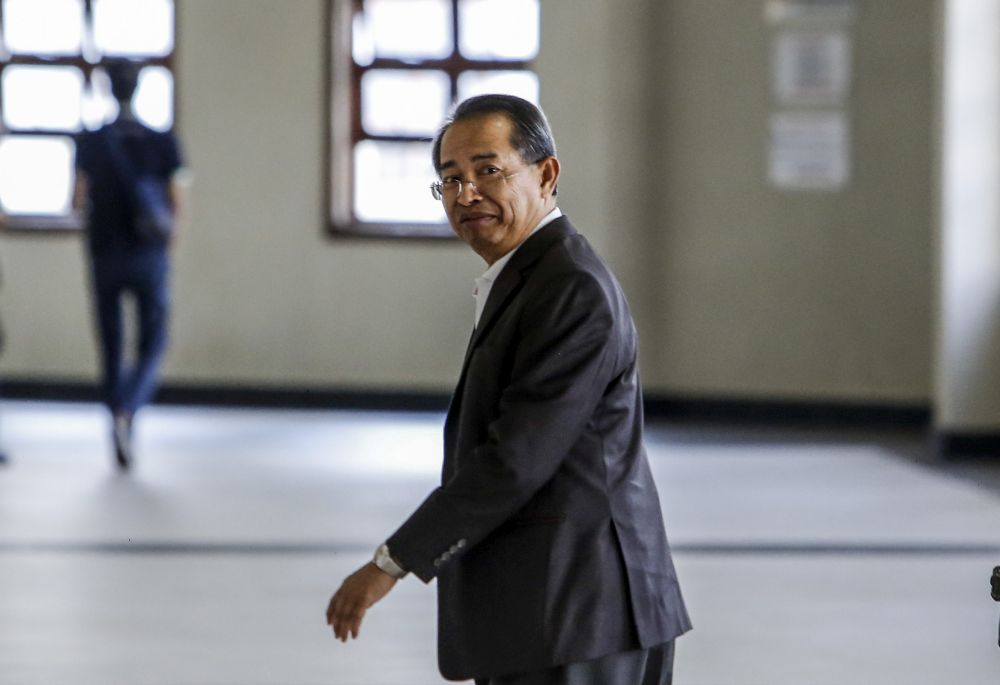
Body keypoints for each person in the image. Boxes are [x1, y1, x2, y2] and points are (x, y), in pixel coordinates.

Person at [325, 94, 691, 684]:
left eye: (488, 171)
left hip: (584, 616)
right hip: (548, 614)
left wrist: (392, 562)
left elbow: (516, 459)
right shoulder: (532, 276)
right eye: (450, 179)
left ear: (545, 174)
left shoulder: (570, 289)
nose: (466, 194)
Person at [74, 60, 186, 470]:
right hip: (148, 253)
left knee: (111, 342)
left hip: (104, 252)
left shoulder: (93, 141)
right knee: (153, 340)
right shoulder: (161, 141)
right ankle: (129, 408)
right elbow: (176, 204)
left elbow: (78, 199)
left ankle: (117, 407)